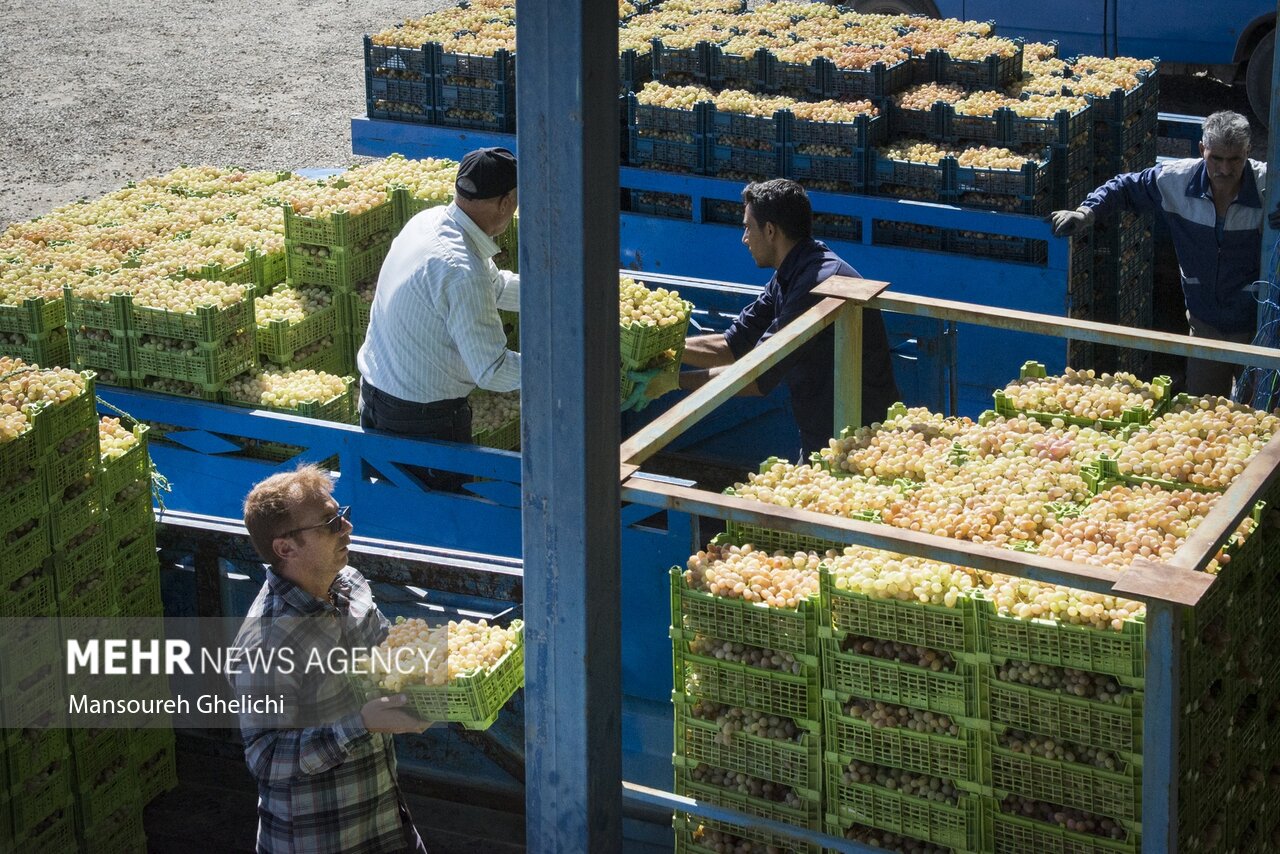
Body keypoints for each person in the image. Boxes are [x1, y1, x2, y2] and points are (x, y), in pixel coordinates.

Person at [234, 464, 430, 853]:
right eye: (329, 523)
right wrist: (360, 725)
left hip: (386, 820)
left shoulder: (352, 584)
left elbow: (386, 652)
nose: (347, 529)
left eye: (342, 515)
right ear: (285, 548)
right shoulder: (266, 642)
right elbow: (267, 758)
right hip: (319, 839)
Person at [1050, 110, 1274, 396]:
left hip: (1257, 326)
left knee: (1262, 415)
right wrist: (1086, 212)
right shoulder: (1177, 181)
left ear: (1248, 152)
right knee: (1206, 411)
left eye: (1235, 160)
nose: (1225, 170)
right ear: (1202, 149)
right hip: (1205, 323)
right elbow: (1124, 187)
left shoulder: (1269, 185)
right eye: (1216, 158)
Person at [675, 178, 899, 459]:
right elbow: (733, 345)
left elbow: (756, 378)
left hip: (861, 449)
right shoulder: (792, 271)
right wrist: (665, 352)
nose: (744, 239)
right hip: (825, 442)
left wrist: (673, 381)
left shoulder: (820, 282)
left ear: (770, 231)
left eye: (747, 227)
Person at [357, 147, 520, 490]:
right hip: (421, 422)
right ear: (505, 203)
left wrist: (570, 296)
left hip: (377, 397)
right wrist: (564, 367)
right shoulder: (462, 270)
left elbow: (497, 286)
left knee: (392, 508)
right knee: (436, 522)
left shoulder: (429, 221)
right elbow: (492, 371)